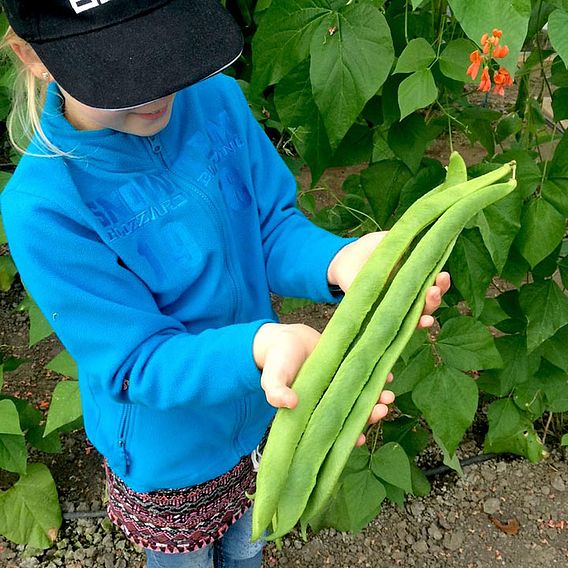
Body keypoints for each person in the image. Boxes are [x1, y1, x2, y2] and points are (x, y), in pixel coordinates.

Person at [0, 1, 450, 567]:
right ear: (34, 57)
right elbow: (135, 361)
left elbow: (270, 226)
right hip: (171, 456)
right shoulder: (47, 206)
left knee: (249, 543)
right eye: (119, 70)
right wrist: (258, 348)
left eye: (167, 47)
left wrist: (339, 263)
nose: (156, 86)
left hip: (263, 410)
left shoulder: (217, 103)